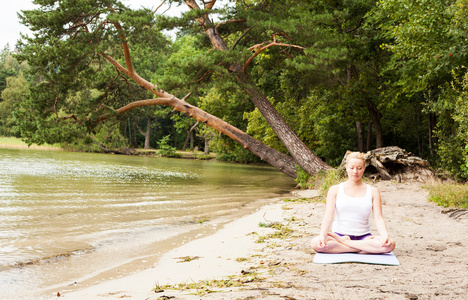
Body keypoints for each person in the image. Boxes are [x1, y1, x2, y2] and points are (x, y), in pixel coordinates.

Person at [310, 152, 395, 254]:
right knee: (315, 243)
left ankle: (347, 244)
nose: (355, 171)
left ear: (364, 168)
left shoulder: (373, 191)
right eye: (352, 168)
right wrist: (322, 236)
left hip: (364, 238)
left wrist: (385, 236)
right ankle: (360, 248)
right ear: (346, 167)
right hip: (339, 235)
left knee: (390, 245)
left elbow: (378, 218)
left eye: (359, 168)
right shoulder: (335, 190)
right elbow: (328, 216)